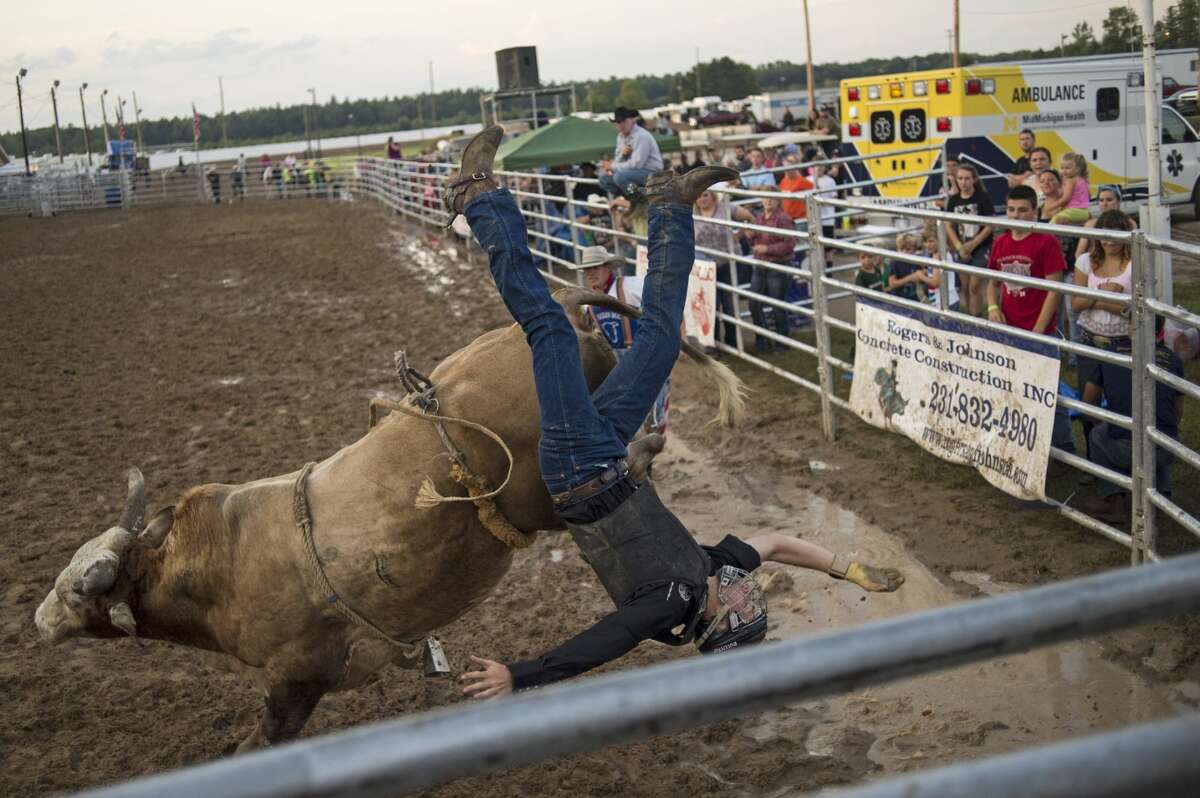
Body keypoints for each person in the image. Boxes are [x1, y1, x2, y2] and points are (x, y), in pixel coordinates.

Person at [438, 127, 903, 696]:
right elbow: (777, 544)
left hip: (578, 468)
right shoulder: (706, 569)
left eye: (745, 606)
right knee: (659, 343)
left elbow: (600, 643)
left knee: (551, 332)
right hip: (608, 454)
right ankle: (669, 205)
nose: (749, 593)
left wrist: (520, 675)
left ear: (722, 620)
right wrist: (847, 569)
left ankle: (478, 198)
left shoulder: (667, 604)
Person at [987, 185, 1076, 473]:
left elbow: (1054, 289)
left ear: (1035, 212)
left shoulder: (1046, 241)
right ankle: (1024, 445)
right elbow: (991, 281)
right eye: (1011, 209)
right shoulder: (1001, 242)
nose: (1016, 215)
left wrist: (1038, 332)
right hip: (1009, 330)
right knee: (1013, 388)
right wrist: (992, 307)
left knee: (1048, 393)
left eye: (1023, 210)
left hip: (1039, 330)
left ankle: (1064, 452)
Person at [1079, 316, 1184, 523]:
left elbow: (1088, 402)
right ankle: (1160, 496)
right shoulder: (1172, 359)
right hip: (1165, 448)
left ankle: (1113, 499)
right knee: (1161, 429)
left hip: (1126, 446)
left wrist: (1105, 422)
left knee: (1098, 434)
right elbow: (1177, 412)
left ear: (1129, 327)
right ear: (1160, 329)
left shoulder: (1110, 354)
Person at [571, 245, 672, 436]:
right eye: (587, 269)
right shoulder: (587, 302)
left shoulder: (630, 286)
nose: (590, 273)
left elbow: (665, 301)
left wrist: (677, 336)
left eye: (595, 267)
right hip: (614, 362)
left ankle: (652, 433)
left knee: (653, 416)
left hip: (643, 355)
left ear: (607, 268)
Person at [1070, 210, 1134, 456]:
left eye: (1116, 236)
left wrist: (1095, 299)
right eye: (1105, 236)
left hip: (1122, 342)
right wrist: (1106, 293)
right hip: (1089, 339)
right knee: (1088, 404)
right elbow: (1076, 304)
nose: (1109, 242)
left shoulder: (1135, 263)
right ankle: (1094, 458)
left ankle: (1120, 459)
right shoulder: (1085, 261)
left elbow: (1136, 310)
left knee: (1121, 404)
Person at [695, 184, 755, 351]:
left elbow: (749, 217)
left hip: (727, 262)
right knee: (708, 305)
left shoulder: (726, 208)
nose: (702, 199)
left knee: (729, 304)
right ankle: (711, 344)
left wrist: (740, 235)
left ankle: (732, 343)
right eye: (698, 196)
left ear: (712, 196)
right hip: (704, 267)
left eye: (705, 195)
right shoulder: (691, 213)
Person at [747, 186, 795, 354]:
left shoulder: (784, 219)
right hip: (761, 265)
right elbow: (753, 244)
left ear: (778, 200)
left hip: (777, 265)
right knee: (753, 302)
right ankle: (763, 338)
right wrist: (750, 237)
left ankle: (782, 342)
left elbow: (790, 244)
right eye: (765, 197)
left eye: (771, 197)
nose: (768, 200)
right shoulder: (759, 218)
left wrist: (767, 249)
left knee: (777, 305)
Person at [944, 164, 995, 316]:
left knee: (974, 285)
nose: (963, 182)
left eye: (967, 178)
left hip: (981, 246)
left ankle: (977, 318)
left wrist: (974, 243)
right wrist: (958, 246)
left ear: (974, 180)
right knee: (965, 286)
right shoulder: (954, 200)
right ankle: (969, 316)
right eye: (960, 178)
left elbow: (991, 224)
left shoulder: (983, 197)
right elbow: (948, 225)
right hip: (962, 247)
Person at [598, 107, 664, 197]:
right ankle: (629, 198)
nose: (621, 125)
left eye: (624, 121)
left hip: (652, 172)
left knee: (620, 177)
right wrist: (621, 155)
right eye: (618, 122)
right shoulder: (620, 137)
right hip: (634, 173)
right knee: (604, 179)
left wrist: (612, 166)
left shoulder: (641, 136)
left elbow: (636, 164)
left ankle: (639, 198)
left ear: (632, 120)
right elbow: (618, 161)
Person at [1075, 185, 1126, 259]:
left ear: (1118, 201)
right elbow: (1079, 254)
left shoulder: (1128, 223)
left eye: (1109, 200)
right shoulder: (1090, 225)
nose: (1104, 204)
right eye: (1101, 200)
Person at [1050, 153, 1091, 226]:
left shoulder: (1070, 181)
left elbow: (1066, 198)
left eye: (1067, 168)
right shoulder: (1083, 180)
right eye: (1062, 168)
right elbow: (1089, 196)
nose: (1064, 171)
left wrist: (1053, 206)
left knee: (1053, 222)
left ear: (1078, 169)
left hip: (1074, 210)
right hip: (1085, 212)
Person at [885, 233, 926, 303]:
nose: (904, 252)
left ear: (915, 249)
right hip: (898, 300)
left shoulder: (916, 260)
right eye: (901, 249)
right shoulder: (895, 262)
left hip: (913, 298)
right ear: (897, 249)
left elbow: (920, 277)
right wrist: (910, 278)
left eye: (908, 249)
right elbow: (892, 284)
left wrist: (923, 274)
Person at [778, 154, 813, 222]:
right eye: (787, 162)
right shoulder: (783, 181)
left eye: (791, 162)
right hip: (787, 218)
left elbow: (813, 194)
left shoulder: (803, 181)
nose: (787, 168)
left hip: (799, 219)